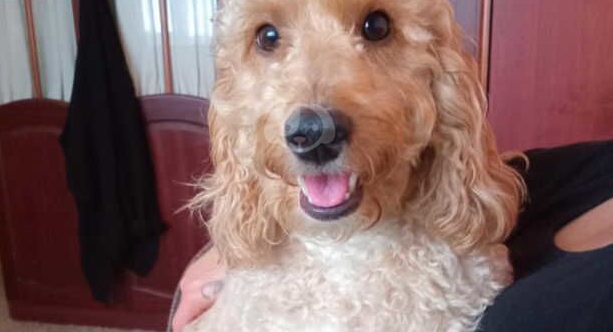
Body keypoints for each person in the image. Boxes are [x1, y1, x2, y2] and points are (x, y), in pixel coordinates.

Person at [168, 140, 613, 332]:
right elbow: (476, 176)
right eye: (269, 38)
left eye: (375, 30)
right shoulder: (593, 170)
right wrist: (239, 234)